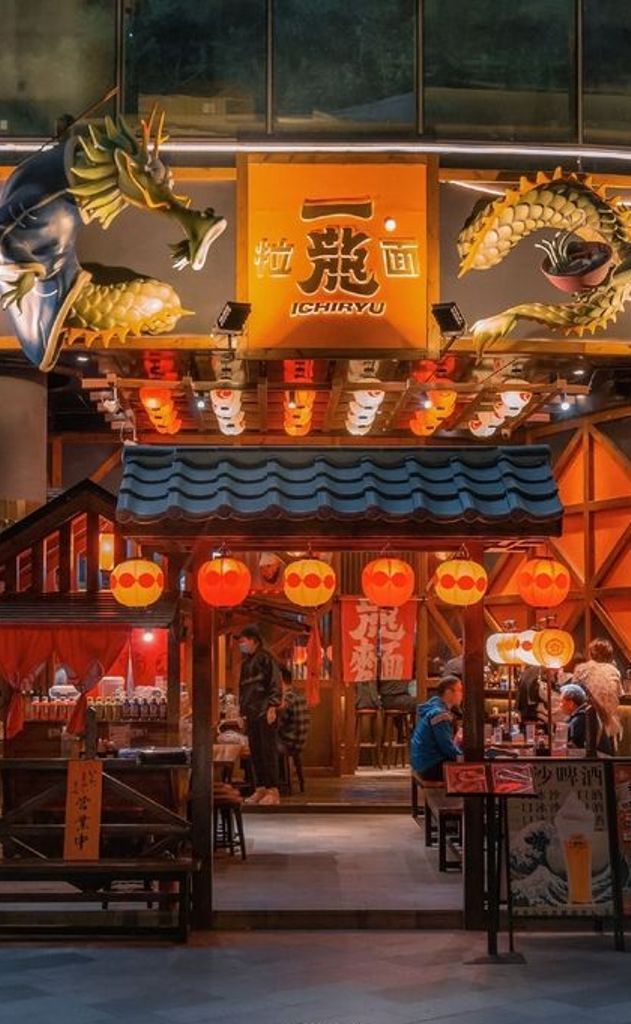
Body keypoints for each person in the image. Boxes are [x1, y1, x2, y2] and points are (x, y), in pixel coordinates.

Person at [237, 625, 282, 805]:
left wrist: (273, 706)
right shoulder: (246, 663)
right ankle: (260, 788)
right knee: (256, 752)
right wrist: (242, 712)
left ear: (254, 640)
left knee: (267, 751)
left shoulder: (266, 658)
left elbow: (275, 682)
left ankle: (273, 790)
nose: (241, 644)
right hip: (251, 712)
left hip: (265, 711)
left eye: (243, 641)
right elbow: (243, 690)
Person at [410, 675, 463, 783]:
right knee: (474, 771)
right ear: (448, 692)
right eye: (460, 690)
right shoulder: (440, 714)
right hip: (430, 765)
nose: (462, 694)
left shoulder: (434, 708)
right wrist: (464, 758)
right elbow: (446, 746)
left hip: (421, 762)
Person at [573, 638, 622, 751]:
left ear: (590, 653)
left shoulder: (581, 669)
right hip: (608, 723)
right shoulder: (613, 671)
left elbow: (573, 693)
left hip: (584, 721)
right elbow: (619, 695)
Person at [277, 667, 310, 792]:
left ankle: (269, 784)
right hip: (299, 742)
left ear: (281, 680)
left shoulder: (288, 698)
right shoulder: (299, 695)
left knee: (261, 746)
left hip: (288, 743)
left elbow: (278, 724)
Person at [559, 683, 589, 748]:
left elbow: (566, 741)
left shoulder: (580, 718)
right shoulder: (581, 715)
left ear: (571, 703)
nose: (560, 705)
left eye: (561, 702)